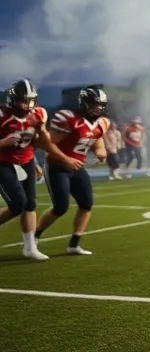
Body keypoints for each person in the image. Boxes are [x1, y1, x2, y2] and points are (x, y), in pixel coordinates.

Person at [0, 80, 83, 260]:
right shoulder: (2, 115)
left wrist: (54, 160)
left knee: (30, 204)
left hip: (26, 159)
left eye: (30, 100)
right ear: (12, 100)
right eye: (23, 100)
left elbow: (43, 142)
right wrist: (3, 143)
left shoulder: (38, 113)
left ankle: (30, 247)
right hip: (2, 162)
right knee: (17, 204)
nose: (27, 105)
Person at [37, 88, 109, 256]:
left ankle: (74, 244)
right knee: (60, 207)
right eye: (94, 104)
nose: (98, 108)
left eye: (100, 105)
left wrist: (100, 152)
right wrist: (66, 159)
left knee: (86, 204)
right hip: (57, 166)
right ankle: (34, 236)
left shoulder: (103, 122)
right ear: (84, 104)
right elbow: (48, 144)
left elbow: (97, 137)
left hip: (78, 168)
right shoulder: (68, 118)